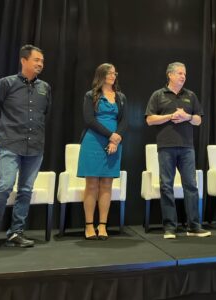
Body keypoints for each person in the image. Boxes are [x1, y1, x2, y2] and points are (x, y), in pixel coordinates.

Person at [0, 45, 51, 252]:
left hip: (35, 146)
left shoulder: (45, 87)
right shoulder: (6, 83)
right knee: (4, 186)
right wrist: (6, 131)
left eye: (42, 61)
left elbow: (46, 113)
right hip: (10, 144)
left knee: (26, 190)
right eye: (36, 60)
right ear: (23, 60)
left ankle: (16, 233)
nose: (40, 64)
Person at [145, 62, 211, 239]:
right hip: (166, 147)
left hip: (187, 148)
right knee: (166, 186)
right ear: (170, 75)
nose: (183, 76)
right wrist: (170, 116)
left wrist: (187, 116)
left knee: (191, 185)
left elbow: (198, 120)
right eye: (180, 73)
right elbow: (150, 120)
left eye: (185, 74)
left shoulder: (191, 96)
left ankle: (194, 226)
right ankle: (169, 227)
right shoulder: (158, 95)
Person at [77, 63, 127, 240]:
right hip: (93, 142)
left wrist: (117, 137)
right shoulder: (91, 95)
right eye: (110, 73)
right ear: (101, 75)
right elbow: (89, 120)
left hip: (114, 143)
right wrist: (111, 136)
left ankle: (103, 225)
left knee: (107, 184)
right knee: (91, 185)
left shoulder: (120, 97)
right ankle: (89, 226)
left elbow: (124, 121)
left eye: (115, 73)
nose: (113, 76)